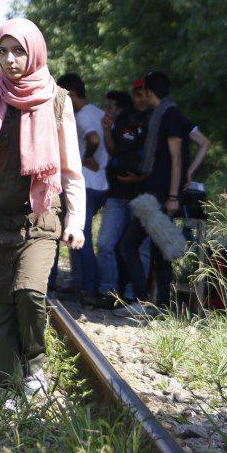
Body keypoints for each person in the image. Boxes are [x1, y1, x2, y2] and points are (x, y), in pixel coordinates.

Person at [0, 18, 85, 404]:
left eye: (18, 50)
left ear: (35, 51)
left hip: (41, 216)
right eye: (3, 51)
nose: (10, 59)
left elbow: (71, 170)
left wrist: (74, 222)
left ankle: (36, 366)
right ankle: (4, 392)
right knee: (3, 305)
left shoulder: (58, 100)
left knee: (28, 292)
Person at [117, 72, 203, 316]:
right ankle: (161, 306)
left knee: (129, 244)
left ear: (150, 92)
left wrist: (175, 195)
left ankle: (144, 303)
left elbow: (176, 158)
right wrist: (191, 172)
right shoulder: (170, 114)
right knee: (159, 252)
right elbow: (203, 143)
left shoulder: (168, 116)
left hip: (160, 195)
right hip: (161, 192)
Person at [57, 73, 108, 304]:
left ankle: (89, 288)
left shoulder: (81, 116)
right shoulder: (98, 112)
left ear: (71, 94)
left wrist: (85, 158)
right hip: (101, 183)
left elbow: (94, 139)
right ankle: (81, 283)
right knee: (80, 233)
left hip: (86, 182)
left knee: (80, 234)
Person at [94, 90, 144, 306]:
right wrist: (106, 130)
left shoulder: (142, 124)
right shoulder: (116, 126)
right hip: (115, 194)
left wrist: (139, 177)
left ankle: (137, 296)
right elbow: (113, 151)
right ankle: (110, 293)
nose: (107, 110)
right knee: (105, 243)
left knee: (139, 247)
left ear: (118, 107)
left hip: (139, 194)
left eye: (110, 106)